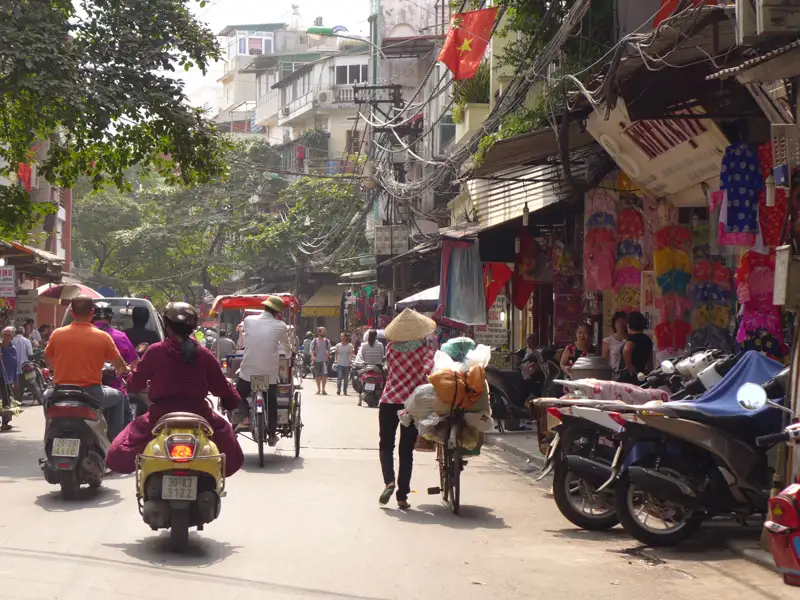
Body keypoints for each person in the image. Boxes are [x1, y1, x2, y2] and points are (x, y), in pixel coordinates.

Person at [106, 302, 244, 476]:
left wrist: (132, 381)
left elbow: (135, 384)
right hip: (200, 415)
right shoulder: (204, 354)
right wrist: (233, 401)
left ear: (166, 325)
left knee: (119, 450)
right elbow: (222, 388)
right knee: (229, 447)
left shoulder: (155, 351)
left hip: (159, 415)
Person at [44, 295, 129, 440]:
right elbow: (120, 365)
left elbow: (48, 360)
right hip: (92, 394)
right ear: (92, 313)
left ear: (72, 313)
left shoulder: (57, 334)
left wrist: (58, 368)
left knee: (46, 397)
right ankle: (115, 443)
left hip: (60, 392)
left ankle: (49, 437)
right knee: (119, 397)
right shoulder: (103, 337)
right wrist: (123, 370)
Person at [378, 309, 436, 510]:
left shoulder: (391, 348)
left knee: (386, 445)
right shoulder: (425, 350)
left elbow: (390, 369)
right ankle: (402, 496)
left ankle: (389, 481)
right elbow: (430, 371)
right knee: (406, 450)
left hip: (388, 400)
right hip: (412, 405)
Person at [237, 296, 290, 446]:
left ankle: (246, 416)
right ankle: (272, 434)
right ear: (277, 312)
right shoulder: (281, 325)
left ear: (264, 307)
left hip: (249, 370)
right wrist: (288, 355)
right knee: (271, 401)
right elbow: (286, 347)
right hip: (268, 372)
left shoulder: (249, 321)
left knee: (238, 393)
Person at [94, 303, 139, 423]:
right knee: (127, 428)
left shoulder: (80, 335)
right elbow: (135, 364)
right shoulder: (120, 336)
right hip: (114, 389)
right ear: (110, 318)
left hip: (81, 390)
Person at [619, 310, 654, 384]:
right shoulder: (647, 339)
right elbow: (650, 359)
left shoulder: (632, 339)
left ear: (628, 324)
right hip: (641, 374)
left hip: (629, 377)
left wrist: (629, 365)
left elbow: (627, 349)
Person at [602, 311, 628, 380]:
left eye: (623, 321)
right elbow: (604, 361)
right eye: (618, 321)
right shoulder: (608, 341)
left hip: (627, 375)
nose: (621, 324)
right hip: (613, 375)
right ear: (614, 323)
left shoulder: (630, 340)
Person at [0, 327, 17, 431]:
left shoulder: (13, 349)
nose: (6, 337)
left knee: (7, 402)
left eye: (8, 335)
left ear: (11, 337)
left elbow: (15, 365)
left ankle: (5, 423)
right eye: (4, 335)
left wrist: (15, 379)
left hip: (8, 378)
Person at [10, 326, 33, 402]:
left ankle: (15, 399)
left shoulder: (11, 341)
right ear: (23, 332)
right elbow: (30, 354)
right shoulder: (27, 341)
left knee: (14, 384)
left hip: (13, 368)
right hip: (24, 368)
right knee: (24, 383)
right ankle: (20, 398)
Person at [310, 327, 330, 395]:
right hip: (316, 360)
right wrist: (313, 356)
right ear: (319, 332)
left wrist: (328, 354)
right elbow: (311, 349)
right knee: (317, 375)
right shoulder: (314, 341)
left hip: (324, 361)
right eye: (323, 331)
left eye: (325, 331)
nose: (324, 333)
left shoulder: (327, 341)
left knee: (324, 375)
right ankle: (318, 389)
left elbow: (328, 349)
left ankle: (323, 389)